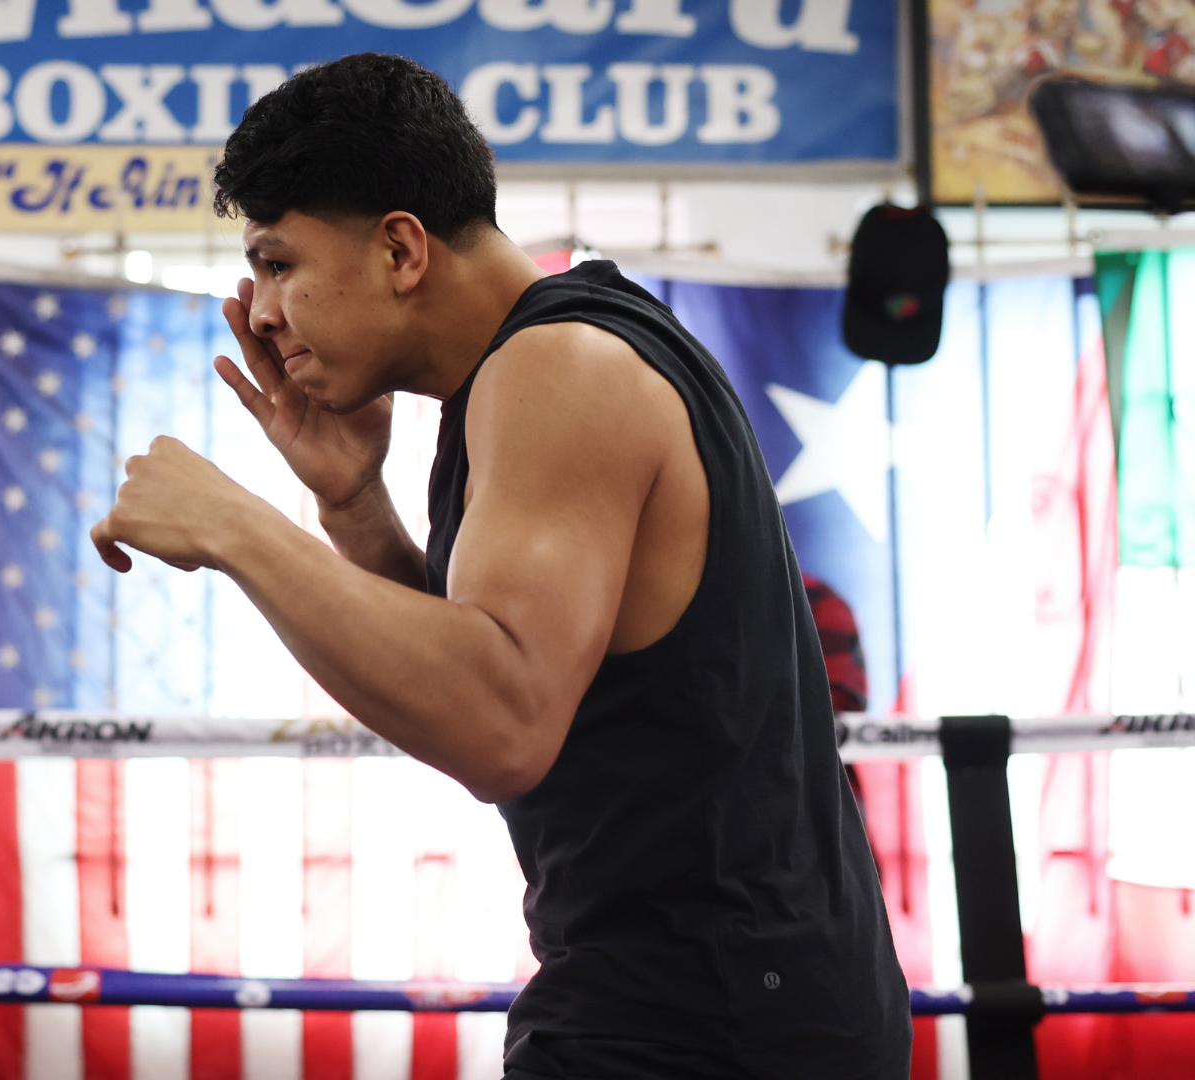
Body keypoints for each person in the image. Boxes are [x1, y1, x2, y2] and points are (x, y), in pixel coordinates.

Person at [89, 53, 910, 1080]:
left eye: (279, 262)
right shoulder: (551, 360)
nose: (258, 312)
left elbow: (503, 724)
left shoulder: (555, 367)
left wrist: (237, 530)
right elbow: (495, 682)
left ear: (400, 248)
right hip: (731, 1000)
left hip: (707, 1020)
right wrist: (354, 509)